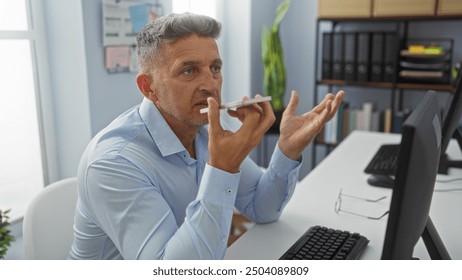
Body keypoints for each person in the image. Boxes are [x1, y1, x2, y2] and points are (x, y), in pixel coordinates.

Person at [69, 13, 344, 260]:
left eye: (215, 68)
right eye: (189, 71)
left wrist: (287, 150)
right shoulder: (113, 163)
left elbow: (263, 209)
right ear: (149, 88)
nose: (210, 85)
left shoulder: (201, 132)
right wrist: (223, 168)